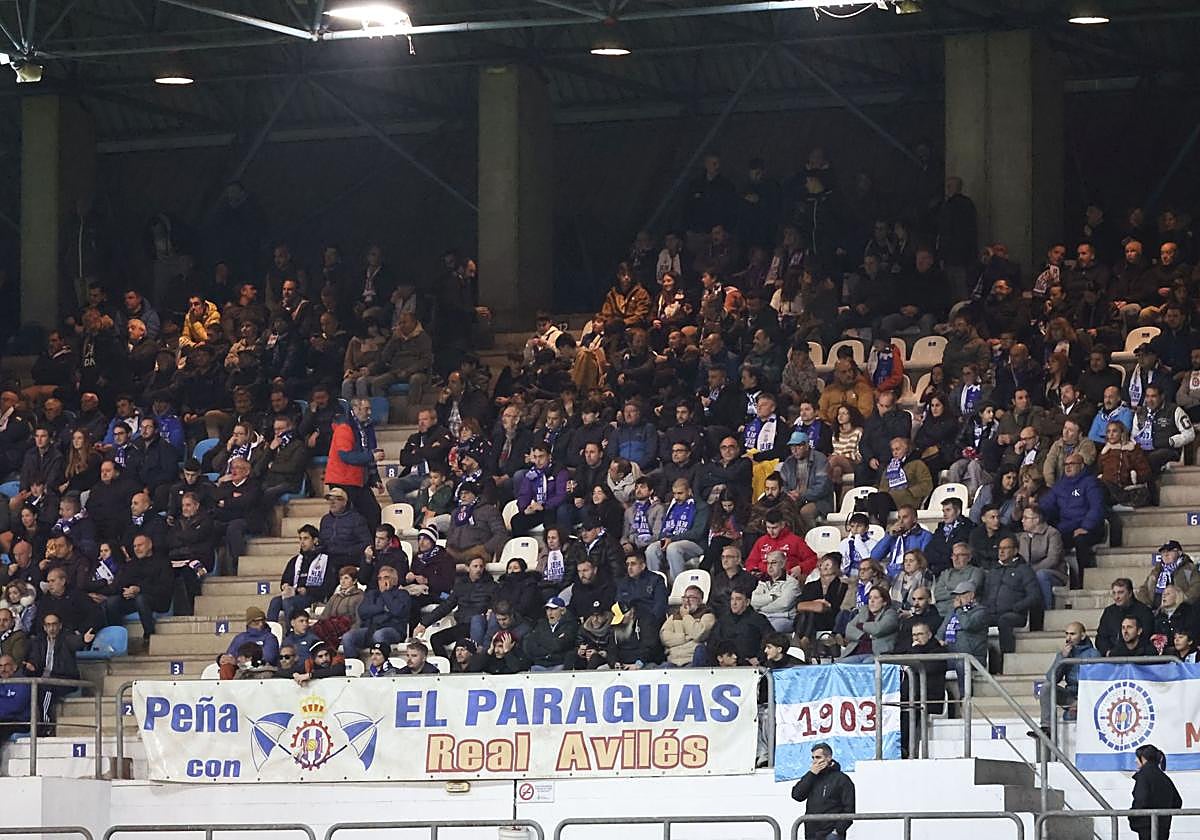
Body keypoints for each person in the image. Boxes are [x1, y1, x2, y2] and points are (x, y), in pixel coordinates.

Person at [1039, 621, 1100, 728]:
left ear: (1082, 636)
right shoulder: (1064, 653)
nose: (1068, 638)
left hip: (1087, 697)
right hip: (1070, 696)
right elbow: (1051, 678)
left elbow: (1095, 683)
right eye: (1067, 634)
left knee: (1070, 716)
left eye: (1072, 634)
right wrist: (1062, 657)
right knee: (1046, 688)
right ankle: (1046, 728)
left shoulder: (1093, 653)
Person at [790, 742, 855, 840]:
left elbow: (849, 808)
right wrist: (811, 774)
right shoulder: (812, 777)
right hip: (811, 834)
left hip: (832, 835)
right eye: (813, 758)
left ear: (828, 758)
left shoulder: (842, 779)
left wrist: (837, 831)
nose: (815, 761)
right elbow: (797, 795)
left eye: (818, 757)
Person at [1130, 744, 1183, 840]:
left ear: (1143, 758)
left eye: (1137, 758)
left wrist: (1132, 816)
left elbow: (1141, 800)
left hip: (1146, 826)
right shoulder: (1164, 777)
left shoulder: (1143, 775)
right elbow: (1178, 802)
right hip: (1164, 826)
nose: (1135, 761)